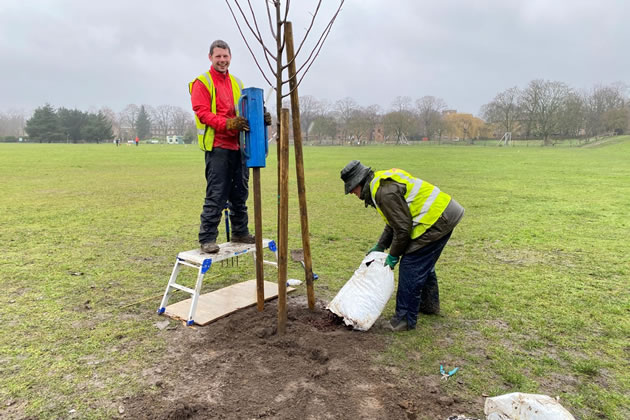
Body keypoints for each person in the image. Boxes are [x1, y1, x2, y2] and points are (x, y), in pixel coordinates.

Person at [340, 161, 465, 331]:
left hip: (437, 219)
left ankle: (404, 319)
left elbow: (402, 228)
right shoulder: (379, 184)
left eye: (353, 189)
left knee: (411, 265)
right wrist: (381, 245)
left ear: (360, 182)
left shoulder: (383, 192)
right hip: (444, 214)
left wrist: (394, 255)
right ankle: (428, 305)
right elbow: (394, 222)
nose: (353, 193)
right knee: (422, 263)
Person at [189, 39, 271, 253]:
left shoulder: (237, 83)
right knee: (217, 194)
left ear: (230, 57)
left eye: (225, 56)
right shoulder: (202, 83)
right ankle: (207, 238)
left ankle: (240, 232)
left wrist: (261, 118)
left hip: (239, 147)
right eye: (218, 57)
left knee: (239, 193)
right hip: (218, 147)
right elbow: (203, 113)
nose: (222, 60)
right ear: (210, 58)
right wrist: (227, 123)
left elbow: (245, 109)